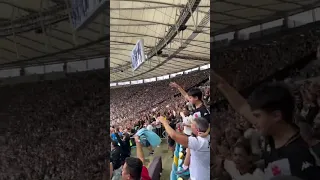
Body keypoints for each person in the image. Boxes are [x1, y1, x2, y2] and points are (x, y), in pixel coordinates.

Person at [212, 71, 320, 180]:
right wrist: (220, 83)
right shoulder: (273, 134)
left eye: (258, 116)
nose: (254, 122)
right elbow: (242, 106)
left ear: (276, 116)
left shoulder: (300, 157)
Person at [169, 82, 210, 176]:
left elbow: (209, 124)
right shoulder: (197, 105)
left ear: (196, 98)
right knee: (188, 150)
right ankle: (185, 167)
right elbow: (186, 96)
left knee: (193, 154)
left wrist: (206, 133)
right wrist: (178, 87)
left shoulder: (203, 111)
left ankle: (189, 170)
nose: (188, 99)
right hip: (196, 135)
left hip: (201, 138)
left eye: (191, 98)